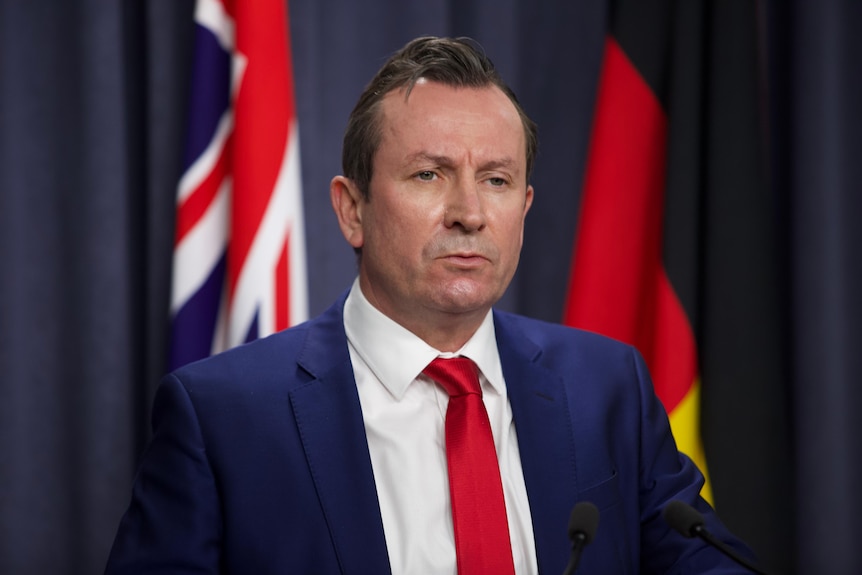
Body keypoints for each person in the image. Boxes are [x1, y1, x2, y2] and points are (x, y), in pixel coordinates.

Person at [105, 36, 754, 574]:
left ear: (523, 211)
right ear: (351, 208)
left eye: (497, 180)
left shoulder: (607, 389)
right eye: (429, 174)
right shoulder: (220, 419)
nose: (470, 213)